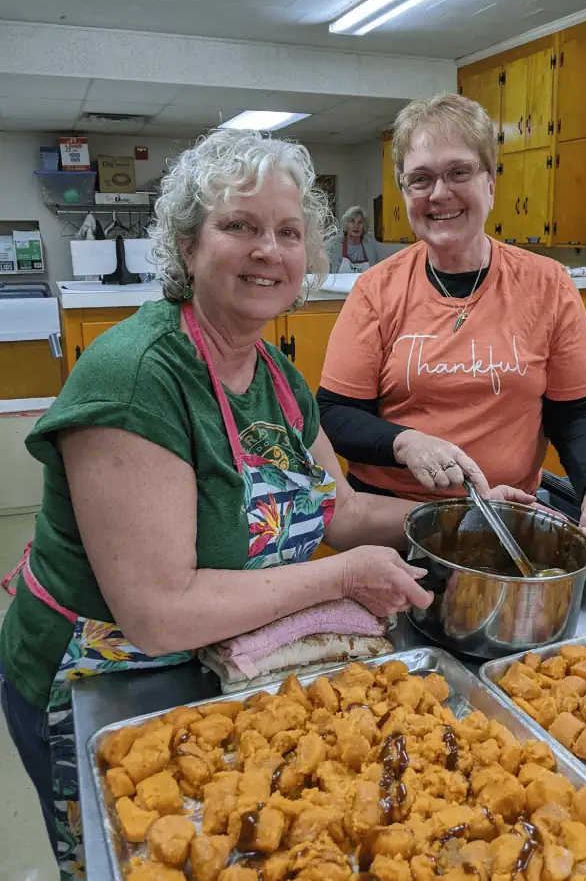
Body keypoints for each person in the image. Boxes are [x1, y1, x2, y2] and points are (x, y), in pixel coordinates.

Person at [0, 128, 530, 880]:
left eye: (287, 233)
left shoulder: (276, 375)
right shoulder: (138, 377)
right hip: (103, 682)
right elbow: (158, 609)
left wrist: (471, 515)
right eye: (239, 226)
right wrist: (341, 580)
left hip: (216, 663)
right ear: (187, 246)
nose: (268, 251)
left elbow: (338, 513)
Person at [317, 93, 586, 564]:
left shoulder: (548, 285)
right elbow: (335, 413)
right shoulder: (376, 290)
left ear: (490, 183)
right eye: (420, 179)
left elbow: (577, 412)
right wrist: (406, 442)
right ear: (405, 193)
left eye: (458, 172)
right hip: (392, 526)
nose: (439, 193)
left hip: (505, 521)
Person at [326, 204, 382, 272]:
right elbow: (323, 272)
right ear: (347, 224)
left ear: (364, 226)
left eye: (360, 222)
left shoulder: (371, 248)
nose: (356, 226)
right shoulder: (333, 244)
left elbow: (376, 273)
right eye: (352, 221)